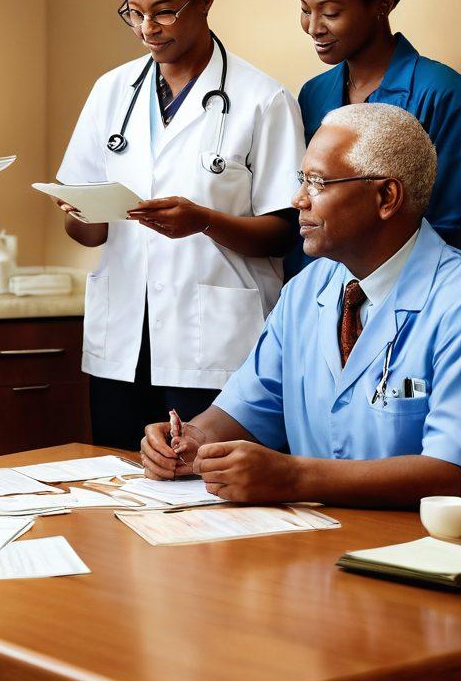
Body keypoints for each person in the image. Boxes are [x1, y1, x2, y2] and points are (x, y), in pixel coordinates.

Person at [55, 0, 304, 450]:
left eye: (164, 11)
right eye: (133, 11)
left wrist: (204, 221)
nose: (147, 28)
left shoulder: (263, 100)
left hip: (213, 346)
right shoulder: (110, 92)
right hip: (122, 341)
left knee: (205, 498)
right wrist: (81, 212)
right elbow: (85, 232)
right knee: (116, 485)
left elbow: (285, 233)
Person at [140, 104, 461, 507]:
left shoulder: (453, 302)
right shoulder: (306, 291)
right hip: (310, 545)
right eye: (301, 180)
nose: (297, 200)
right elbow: (249, 407)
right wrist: (190, 439)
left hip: (417, 549)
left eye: (318, 183)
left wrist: (294, 477)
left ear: (386, 196)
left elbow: (451, 473)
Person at [297, 0, 461, 249]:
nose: (314, 27)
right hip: (324, 288)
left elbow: (451, 224)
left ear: (383, 3)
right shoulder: (313, 95)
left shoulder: (441, 93)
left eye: (330, 12)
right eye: (304, 10)